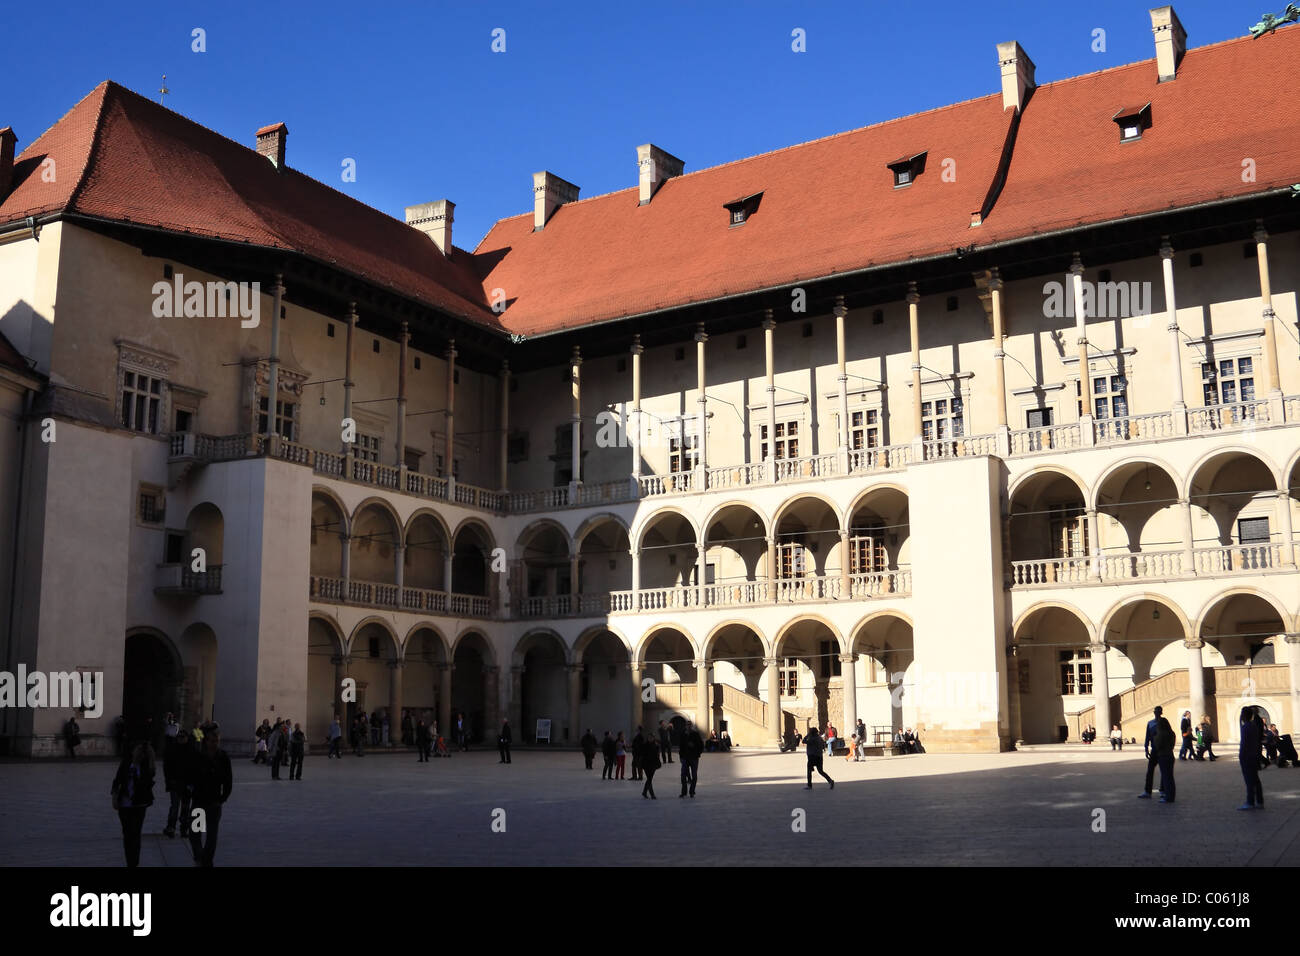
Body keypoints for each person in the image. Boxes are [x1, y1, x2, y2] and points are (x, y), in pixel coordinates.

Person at [188, 722, 233, 867]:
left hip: (214, 802)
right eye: (212, 741)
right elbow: (190, 776)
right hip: (199, 802)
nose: (214, 744)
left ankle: (206, 861)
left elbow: (228, 780)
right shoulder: (198, 756)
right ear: (206, 741)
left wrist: (223, 798)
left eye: (217, 741)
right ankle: (200, 856)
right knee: (196, 833)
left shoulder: (223, 757)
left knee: (212, 836)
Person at [111, 739, 157, 867]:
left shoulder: (147, 767)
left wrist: (144, 761)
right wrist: (114, 797)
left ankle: (133, 862)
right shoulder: (126, 763)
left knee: (135, 833)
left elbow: (147, 782)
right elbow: (117, 780)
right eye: (137, 750)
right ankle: (130, 860)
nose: (138, 753)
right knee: (127, 834)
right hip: (124, 804)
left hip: (139, 804)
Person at [1139, 705, 1176, 803]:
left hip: (1160, 749)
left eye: (1158, 711)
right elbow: (1147, 736)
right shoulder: (1150, 723)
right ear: (1154, 712)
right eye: (1156, 711)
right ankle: (1148, 790)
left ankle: (1163, 790)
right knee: (1151, 770)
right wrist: (1146, 748)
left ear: (1161, 712)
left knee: (1164, 772)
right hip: (1155, 750)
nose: (1157, 713)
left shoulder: (1163, 723)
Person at [162, 726, 192, 839]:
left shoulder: (191, 751)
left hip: (186, 784)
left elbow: (195, 768)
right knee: (175, 806)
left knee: (184, 807)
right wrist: (168, 781)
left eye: (183, 737)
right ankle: (172, 828)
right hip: (175, 783)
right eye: (179, 737)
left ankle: (183, 828)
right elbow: (167, 767)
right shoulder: (172, 750)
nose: (181, 739)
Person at [1238, 707, 1264, 809]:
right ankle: (1260, 801)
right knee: (1256, 779)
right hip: (1254, 754)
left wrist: (1241, 755)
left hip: (1247, 756)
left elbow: (1244, 744)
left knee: (1249, 780)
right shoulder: (1253, 726)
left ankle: (1250, 802)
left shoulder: (1245, 727)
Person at [803, 726, 835, 790]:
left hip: (812, 756)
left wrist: (807, 735)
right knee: (820, 771)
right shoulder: (819, 738)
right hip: (819, 756)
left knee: (809, 771)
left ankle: (809, 785)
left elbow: (804, 741)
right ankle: (830, 781)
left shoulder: (812, 739)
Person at [679, 722, 703, 798]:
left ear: (691, 726)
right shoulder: (683, 734)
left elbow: (701, 745)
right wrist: (681, 756)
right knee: (683, 775)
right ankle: (684, 792)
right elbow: (681, 746)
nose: (688, 727)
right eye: (687, 725)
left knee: (694, 775)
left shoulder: (695, 734)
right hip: (685, 758)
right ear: (685, 726)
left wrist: (696, 750)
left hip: (694, 758)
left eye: (689, 725)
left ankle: (692, 791)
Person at [641, 729, 661, 798]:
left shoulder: (656, 745)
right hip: (646, 764)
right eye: (649, 737)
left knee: (649, 779)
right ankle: (652, 794)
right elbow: (642, 754)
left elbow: (657, 755)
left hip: (653, 764)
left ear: (653, 738)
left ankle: (644, 792)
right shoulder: (644, 745)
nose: (650, 738)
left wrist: (658, 762)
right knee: (649, 779)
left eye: (651, 737)